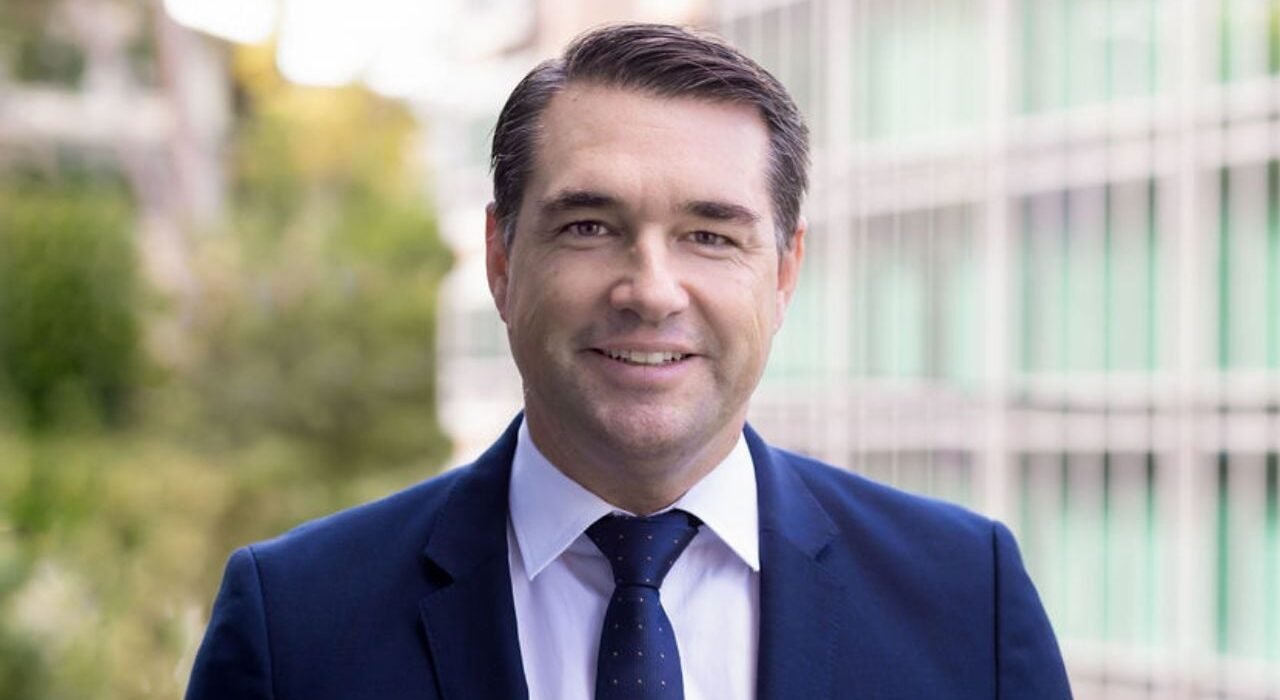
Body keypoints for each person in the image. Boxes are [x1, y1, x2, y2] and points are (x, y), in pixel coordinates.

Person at [186, 22, 1072, 700]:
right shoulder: (295, 625)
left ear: (785, 272)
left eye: (710, 235)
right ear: (501, 259)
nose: (651, 290)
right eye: (589, 227)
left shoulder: (967, 598)